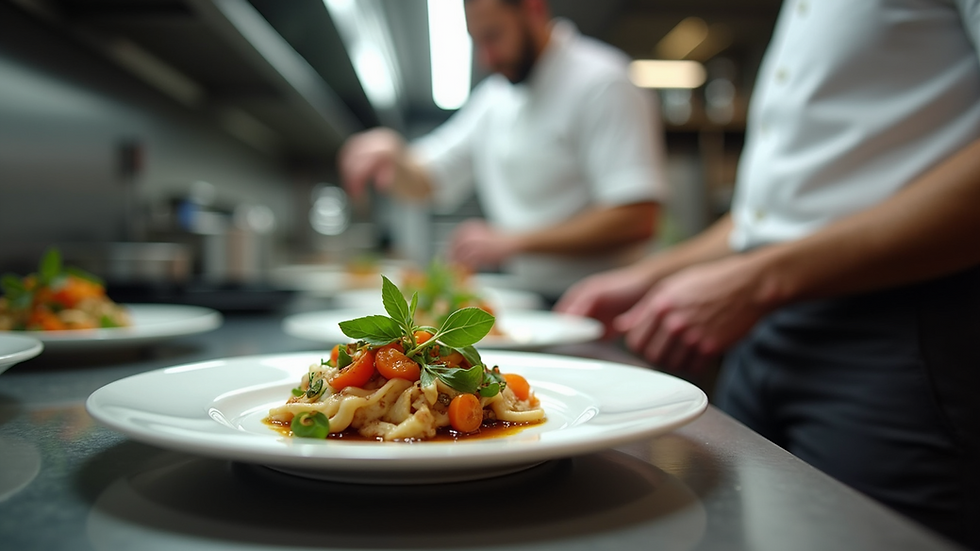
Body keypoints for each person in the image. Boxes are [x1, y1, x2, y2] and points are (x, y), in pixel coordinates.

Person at [556, 1, 980, 547]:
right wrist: (648, 275)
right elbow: (766, 218)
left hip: (895, 335)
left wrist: (758, 280)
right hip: (765, 331)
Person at [337, 0, 666, 299]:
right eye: (477, 41)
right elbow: (427, 179)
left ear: (533, 9)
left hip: (605, 302)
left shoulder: (601, 82)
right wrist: (393, 154)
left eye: (493, 36)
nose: (486, 57)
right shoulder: (495, 99)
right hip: (532, 297)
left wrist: (513, 241)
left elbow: (637, 217)